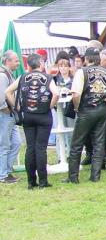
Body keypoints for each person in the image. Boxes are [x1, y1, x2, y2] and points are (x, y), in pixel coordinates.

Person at [4, 53, 59, 188]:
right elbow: (56, 93)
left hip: (27, 115)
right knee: (41, 148)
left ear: (28, 65)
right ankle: (43, 181)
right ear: (41, 64)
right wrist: (50, 106)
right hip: (43, 115)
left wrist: (17, 107)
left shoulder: (23, 77)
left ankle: (31, 182)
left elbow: (8, 92)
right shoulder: (47, 78)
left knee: (30, 148)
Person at [65, 47, 106, 183]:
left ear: (86, 59)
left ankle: (73, 177)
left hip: (86, 110)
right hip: (102, 111)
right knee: (99, 143)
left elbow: (76, 94)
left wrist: (77, 108)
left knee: (77, 144)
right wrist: (103, 99)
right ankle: (95, 176)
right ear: (98, 59)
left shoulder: (81, 72)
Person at [0, 51, 22, 184]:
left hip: (9, 114)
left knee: (16, 142)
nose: (18, 63)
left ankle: (6, 170)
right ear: (7, 61)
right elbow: (1, 97)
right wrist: (7, 110)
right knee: (4, 145)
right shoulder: (3, 76)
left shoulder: (7, 74)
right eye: (16, 60)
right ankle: (3, 174)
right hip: (4, 114)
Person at [53, 53, 76, 150]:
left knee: (71, 132)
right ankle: (59, 156)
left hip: (70, 108)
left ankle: (71, 155)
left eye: (65, 66)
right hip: (59, 109)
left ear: (69, 68)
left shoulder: (74, 80)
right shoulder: (54, 79)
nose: (63, 68)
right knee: (59, 131)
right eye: (61, 66)